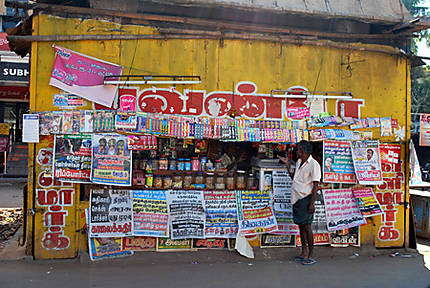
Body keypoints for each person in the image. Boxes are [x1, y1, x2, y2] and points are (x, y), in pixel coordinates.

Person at [278, 140, 321, 265]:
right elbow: (294, 178)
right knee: (301, 226)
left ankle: (311, 255)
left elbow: (315, 185)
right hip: (297, 199)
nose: (297, 152)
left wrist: (312, 204)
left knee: (307, 227)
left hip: (306, 199)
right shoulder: (298, 162)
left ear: (303, 151)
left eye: (298, 150)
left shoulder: (314, 164)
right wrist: (287, 165)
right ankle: (303, 252)